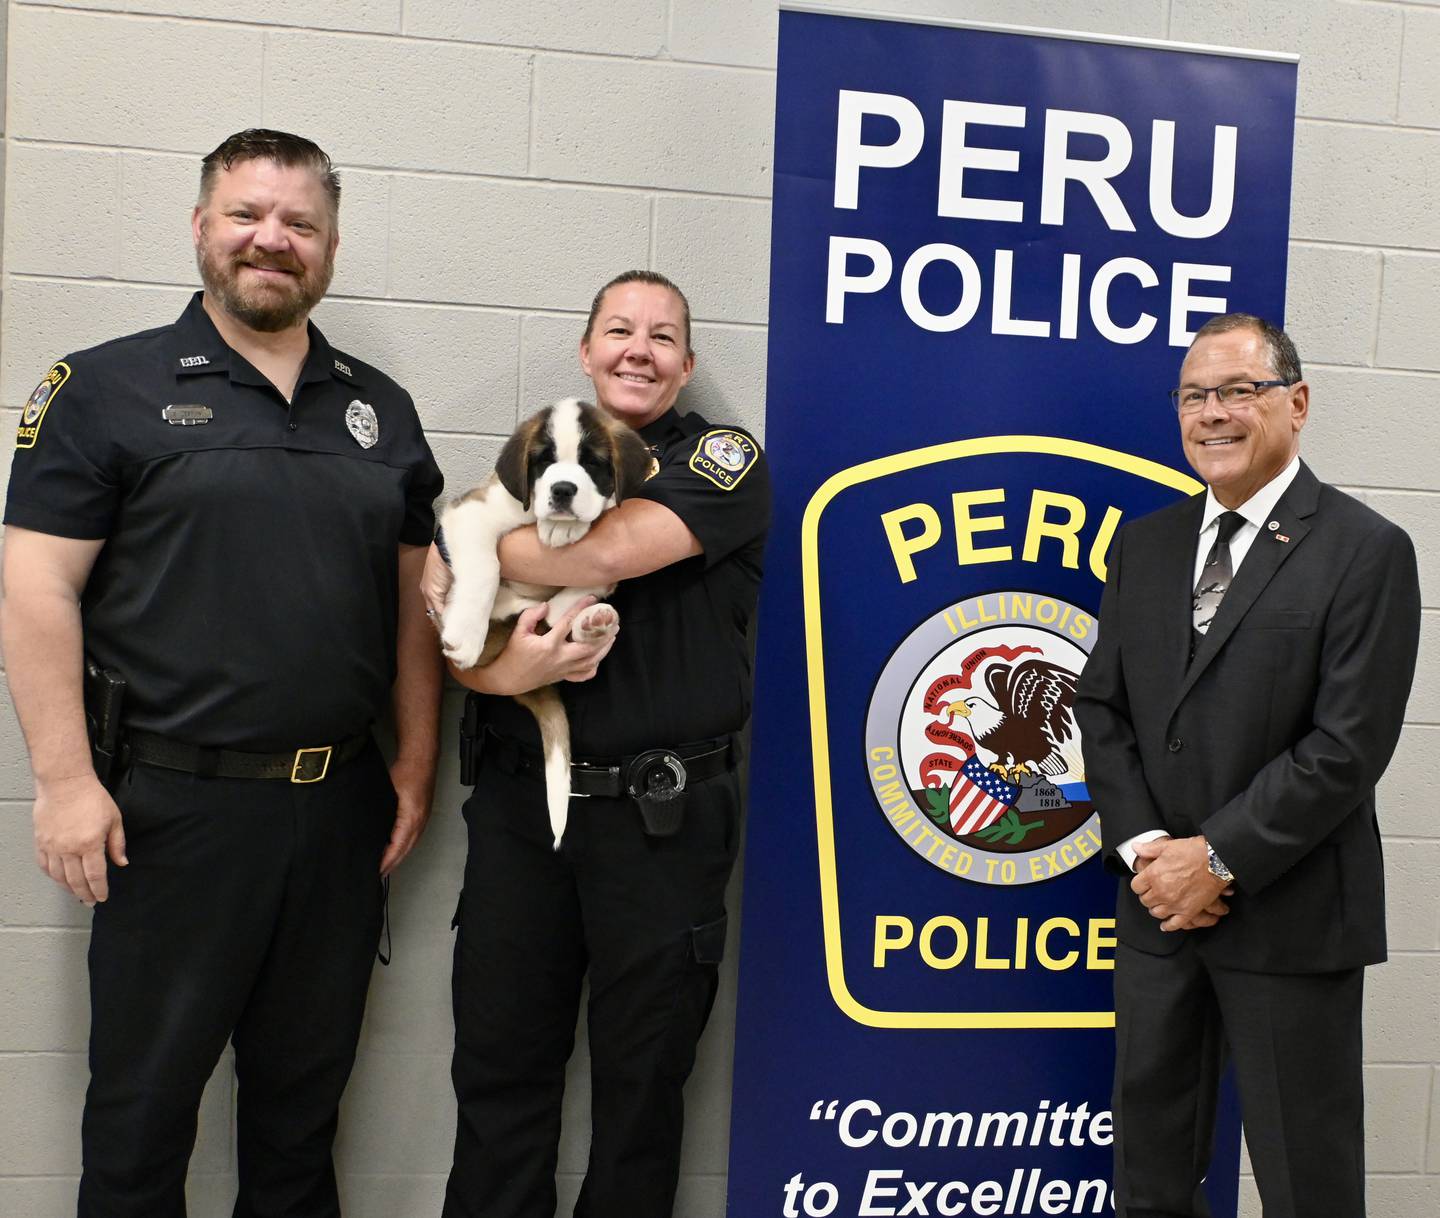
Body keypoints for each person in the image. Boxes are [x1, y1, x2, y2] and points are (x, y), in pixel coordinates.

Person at [1, 129, 444, 1216]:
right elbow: (32, 590)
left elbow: (413, 606)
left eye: (300, 223)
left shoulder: (378, 410)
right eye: (248, 214)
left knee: (301, 1124)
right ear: (201, 228)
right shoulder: (104, 388)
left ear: (330, 247)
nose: (272, 240)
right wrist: (63, 782)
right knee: (143, 1121)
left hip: (335, 814)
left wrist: (418, 766)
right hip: (167, 818)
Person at [422, 269, 771, 1218]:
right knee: (498, 1072)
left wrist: (466, 545)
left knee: (642, 1092)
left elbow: (609, 552)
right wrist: (477, 606)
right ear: (585, 350)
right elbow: (470, 646)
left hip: (662, 823)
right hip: (520, 806)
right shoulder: (537, 447)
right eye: (619, 330)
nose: (639, 350)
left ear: (688, 364)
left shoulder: (722, 459)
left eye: (662, 337)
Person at [1073, 314, 1420, 1218]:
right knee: (1149, 1177)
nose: (1213, 414)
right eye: (1195, 396)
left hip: (1291, 918)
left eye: (1238, 391)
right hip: (1159, 913)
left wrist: (1214, 857)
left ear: (1296, 405)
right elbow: (1101, 707)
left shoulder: (1366, 550)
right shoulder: (1144, 546)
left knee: (1309, 1183)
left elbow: (1346, 746)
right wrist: (1153, 849)